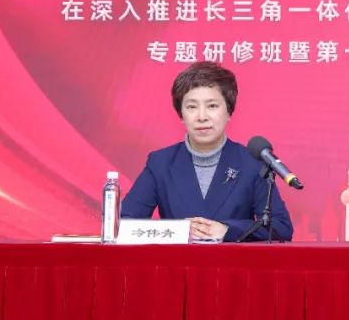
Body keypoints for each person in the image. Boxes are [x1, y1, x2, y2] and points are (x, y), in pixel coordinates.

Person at [121, 61, 294, 242]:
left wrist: (228, 230)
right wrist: (178, 230)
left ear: (229, 112)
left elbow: (281, 228)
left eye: (212, 106)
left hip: (232, 260)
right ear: (181, 115)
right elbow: (125, 222)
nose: (202, 117)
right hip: (176, 260)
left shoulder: (252, 163)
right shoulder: (160, 163)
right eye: (192, 107)